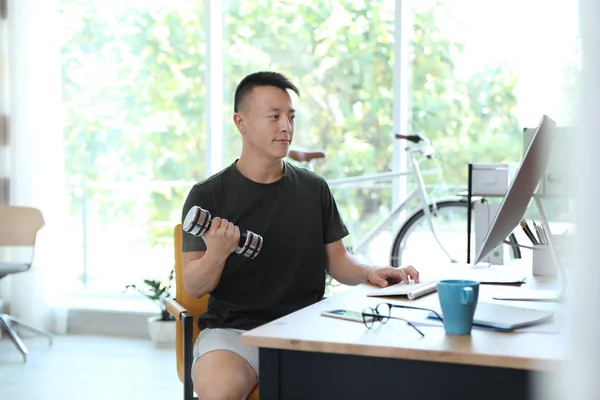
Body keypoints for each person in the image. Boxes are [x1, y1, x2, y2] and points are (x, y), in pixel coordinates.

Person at [181, 71, 420, 400]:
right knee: (219, 392)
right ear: (241, 122)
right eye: (274, 116)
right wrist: (217, 253)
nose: (286, 127)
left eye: (290, 117)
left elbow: (337, 260)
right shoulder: (208, 195)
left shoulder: (313, 189)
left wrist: (369, 272)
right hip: (233, 333)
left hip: (306, 328)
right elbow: (194, 286)